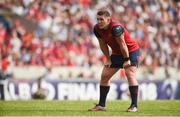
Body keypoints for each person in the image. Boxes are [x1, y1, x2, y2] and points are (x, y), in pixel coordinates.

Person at [88, 9, 140, 112]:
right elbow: (102, 44)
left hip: (130, 51)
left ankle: (134, 106)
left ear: (108, 20)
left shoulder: (116, 28)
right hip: (117, 53)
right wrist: (108, 58)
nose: (99, 22)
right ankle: (101, 105)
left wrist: (126, 60)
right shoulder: (97, 29)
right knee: (105, 76)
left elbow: (123, 45)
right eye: (97, 19)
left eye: (101, 19)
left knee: (130, 74)